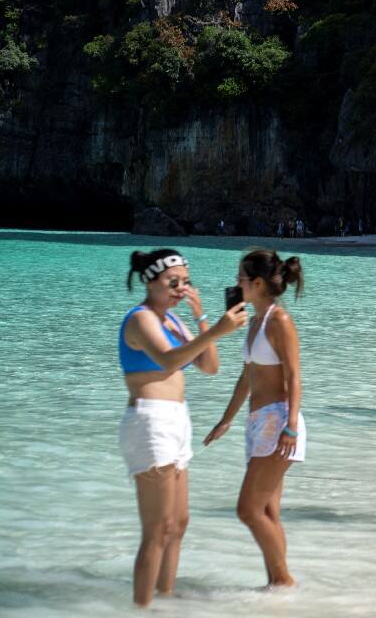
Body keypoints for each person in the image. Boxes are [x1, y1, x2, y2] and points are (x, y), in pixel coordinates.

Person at [118, 249, 248, 606]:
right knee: (157, 529)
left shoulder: (174, 321)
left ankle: (166, 600)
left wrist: (203, 318)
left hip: (176, 420)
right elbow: (169, 360)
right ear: (150, 282)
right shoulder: (141, 319)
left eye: (185, 283)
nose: (179, 288)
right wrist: (218, 331)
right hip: (149, 420)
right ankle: (141, 608)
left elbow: (209, 366)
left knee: (178, 523)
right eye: (172, 282)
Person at [203, 249, 307, 588]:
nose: (236, 284)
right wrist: (226, 420)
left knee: (247, 510)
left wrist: (291, 425)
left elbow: (294, 376)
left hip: (279, 423)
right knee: (268, 512)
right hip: (257, 423)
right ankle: (276, 587)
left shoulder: (280, 321)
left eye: (242, 279)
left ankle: (285, 580)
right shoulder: (255, 321)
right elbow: (246, 379)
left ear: (259, 283)